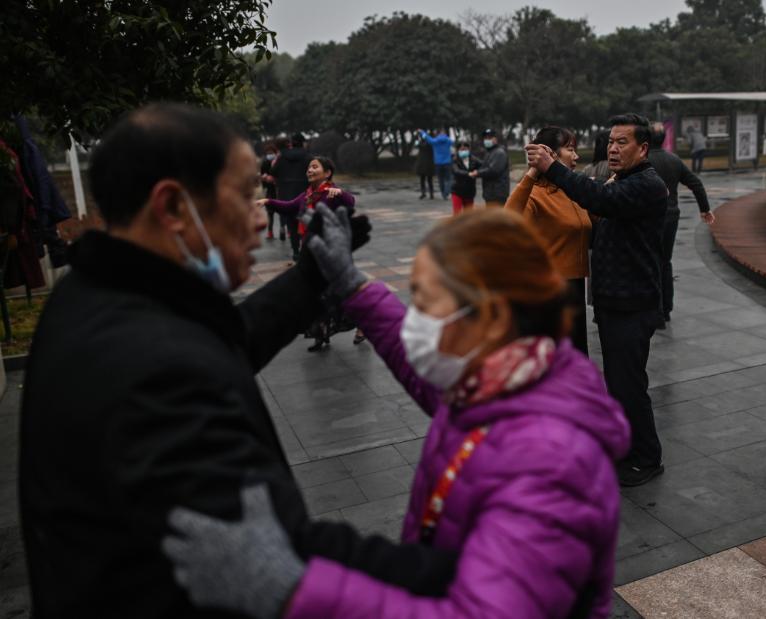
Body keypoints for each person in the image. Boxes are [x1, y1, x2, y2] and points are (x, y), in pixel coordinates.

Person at [17, 104, 455, 619]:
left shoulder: (104, 294)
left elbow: (222, 347)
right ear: (174, 208)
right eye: (246, 194)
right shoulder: (145, 364)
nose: (258, 218)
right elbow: (278, 551)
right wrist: (460, 574)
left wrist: (314, 277)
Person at [162, 208, 630, 619]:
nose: (417, 321)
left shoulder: (551, 465)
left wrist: (290, 590)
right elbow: (425, 376)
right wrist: (353, 286)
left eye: (426, 304)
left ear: (490, 317)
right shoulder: (498, 381)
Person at [525, 113, 668, 487]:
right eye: (611, 142)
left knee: (629, 385)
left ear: (643, 147)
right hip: (613, 302)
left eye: (623, 142)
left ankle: (646, 458)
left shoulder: (645, 185)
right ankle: (629, 448)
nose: (614, 148)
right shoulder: (623, 179)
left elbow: (600, 199)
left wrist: (553, 168)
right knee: (619, 384)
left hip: (632, 303)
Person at [505, 126, 592, 354]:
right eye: (570, 150)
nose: (576, 156)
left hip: (575, 286)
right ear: (552, 154)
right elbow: (508, 221)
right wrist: (533, 172)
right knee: (557, 359)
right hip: (550, 291)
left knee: (576, 355)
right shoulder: (536, 193)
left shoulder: (573, 189)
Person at [259, 156, 357, 352]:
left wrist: (341, 193)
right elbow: (288, 206)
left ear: (327, 173)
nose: (309, 170)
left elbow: (350, 201)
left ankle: (362, 322)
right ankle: (320, 333)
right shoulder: (308, 195)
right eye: (308, 168)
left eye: (314, 167)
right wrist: (268, 201)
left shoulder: (331, 193)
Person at [647, 122, 716, 325]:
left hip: (651, 218)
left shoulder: (644, 161)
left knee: (652, 263)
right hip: (671, 217)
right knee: (665, 262)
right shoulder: (674, 160)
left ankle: (657, 312)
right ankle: (667, 308)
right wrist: (704, 209)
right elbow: (695, 183)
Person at [270, 133, 311, 260]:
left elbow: (273, 172)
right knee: (306, 223)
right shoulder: (308, 157)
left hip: (287, 196)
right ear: (302, 143)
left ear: (292, 143)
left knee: (292, 225)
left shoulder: (282, 157)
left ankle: (295, 252)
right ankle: (305, 250)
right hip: (304, 194)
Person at [471, 129, 509, 207]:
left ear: (496, 139)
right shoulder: (490, 152)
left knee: (496, 218)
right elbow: (486, 165)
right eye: (485, 138)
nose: (487, 140)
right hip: (491, 192)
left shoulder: (499, 152)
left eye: (489, 138)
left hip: (497, 193)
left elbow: (494, 170)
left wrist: (477, 173)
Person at [419, 129, 454, 199]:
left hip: (438, 163)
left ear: (438, 134)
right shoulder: (448, 141)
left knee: (440, 179)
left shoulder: (434, 141)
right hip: (447, 162)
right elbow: (453, 143)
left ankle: (443, 192)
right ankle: (446, 192)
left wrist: (422, 132)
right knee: (449, 178)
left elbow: (427, 137)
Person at [259, 141, 283, 241]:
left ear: (275, 152)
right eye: (268, 153)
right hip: (270, 189)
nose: (269, 155)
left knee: (283, 210)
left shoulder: (280, 162)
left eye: (271, 152)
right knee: (270, 212)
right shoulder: (264, 163)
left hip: (279, 189)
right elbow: (262, 175)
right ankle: (270, 232)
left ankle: (284, 230)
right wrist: (264, 178)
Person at [450, 141, 480, 214]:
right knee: (457, 214)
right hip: (457, 191)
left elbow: (483, 166)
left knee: (468, 215)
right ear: (458, 151)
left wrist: (478, 172)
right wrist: (468, 174)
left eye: (465, 149)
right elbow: (456, 171)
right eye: (461, 150)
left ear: (469, 149)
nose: (463, 151)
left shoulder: (474, 159)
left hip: (469, 191)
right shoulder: (454, 160)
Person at [415, 133, 436, 200]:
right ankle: (431, 194)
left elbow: (417, 144)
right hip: (429, 164)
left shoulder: (421, 144)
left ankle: (424, 193)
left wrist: (417, 136)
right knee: (429, 180)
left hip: (422, 164)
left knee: (423, 179)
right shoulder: (430, 144)